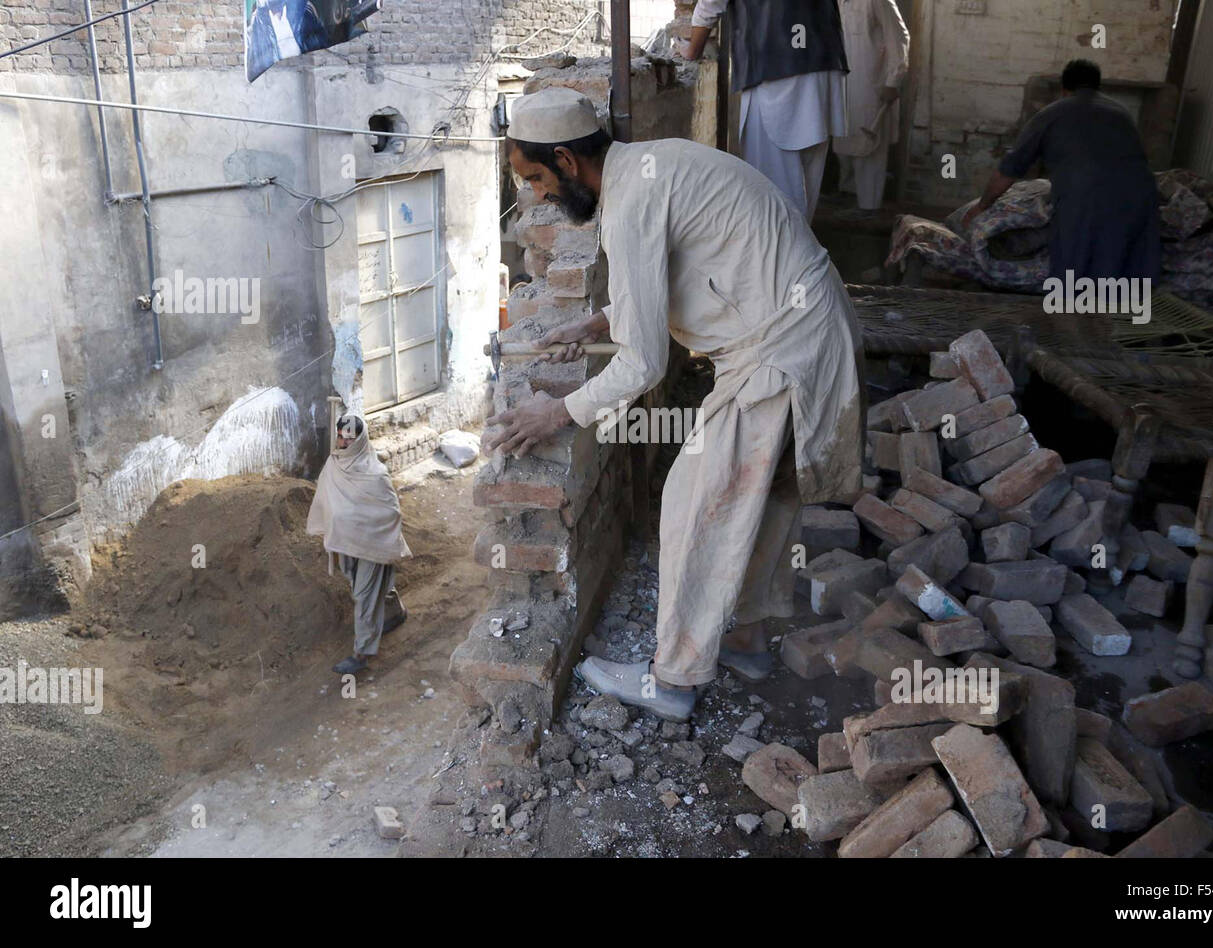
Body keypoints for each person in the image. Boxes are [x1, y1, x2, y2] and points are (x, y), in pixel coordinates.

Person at [487, 87, 863, 721]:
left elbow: (644, 363)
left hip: (780, 350)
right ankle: (744, 642)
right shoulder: (647, 168)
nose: (538, 196)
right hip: (810, 329)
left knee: (697, 504)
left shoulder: (633, 198)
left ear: (566, 160)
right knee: (764, 498)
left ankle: (675, 680)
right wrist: (589, 325)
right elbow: (673, 277)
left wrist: (557, 413)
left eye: (536, 178)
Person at [963, 58, 1161, 284]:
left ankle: (1071, 314)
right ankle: (1120, 315)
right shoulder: (1122, 113)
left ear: (1064, 89)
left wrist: (982, 206)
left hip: (1085, 196)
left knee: (1073, 270)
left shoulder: (1051, 113)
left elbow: (1010, 169)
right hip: (1143, 194)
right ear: (1097, 87)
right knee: (1128, 266)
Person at [683, 0, 849, 220]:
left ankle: (786, 251)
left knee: (772, 195)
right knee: (807, 182)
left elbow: (710, 5)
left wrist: (691, 50)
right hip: (824, 65)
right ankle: (800, 248)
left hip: (778, 70)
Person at [307, 414, 410, 675]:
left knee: (364, 595)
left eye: (348, 438)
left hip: (372, 545)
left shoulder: (375, 475)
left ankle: (361, 653)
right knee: (361, 583)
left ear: (360, 440)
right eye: (340, 436)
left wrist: (367, 529)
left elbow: (391, 512)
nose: (342, 442)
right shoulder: (334, 465)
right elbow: (325, 500)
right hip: (346, 542)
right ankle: (395, 612)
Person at [833, 0, 909, 210]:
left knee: (869, 146)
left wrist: (894, 81)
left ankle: (868, 207)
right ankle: (848, 192)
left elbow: (899, 37)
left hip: (871, 85)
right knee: (843, 141)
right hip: (842, 81)